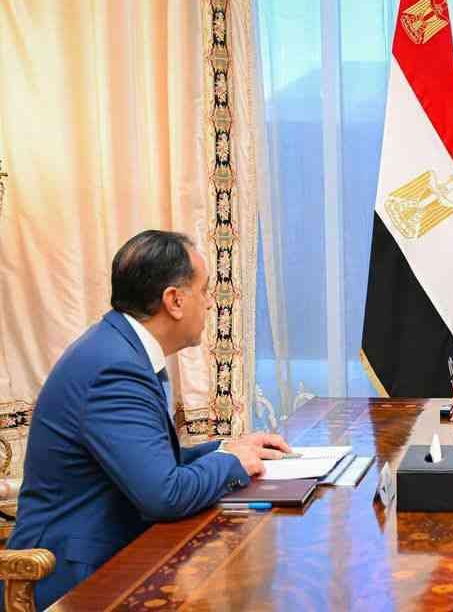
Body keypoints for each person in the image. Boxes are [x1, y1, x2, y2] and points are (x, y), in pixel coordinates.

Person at [5, 230, 292, 608]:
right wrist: (232, 463)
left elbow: (151, 463)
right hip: (71, 577)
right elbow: (164, 495)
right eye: (204, 290)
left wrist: (226, 448)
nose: (210, 303)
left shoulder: (118, 347)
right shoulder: (114, 368)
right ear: (174, 300)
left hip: (106, 555)